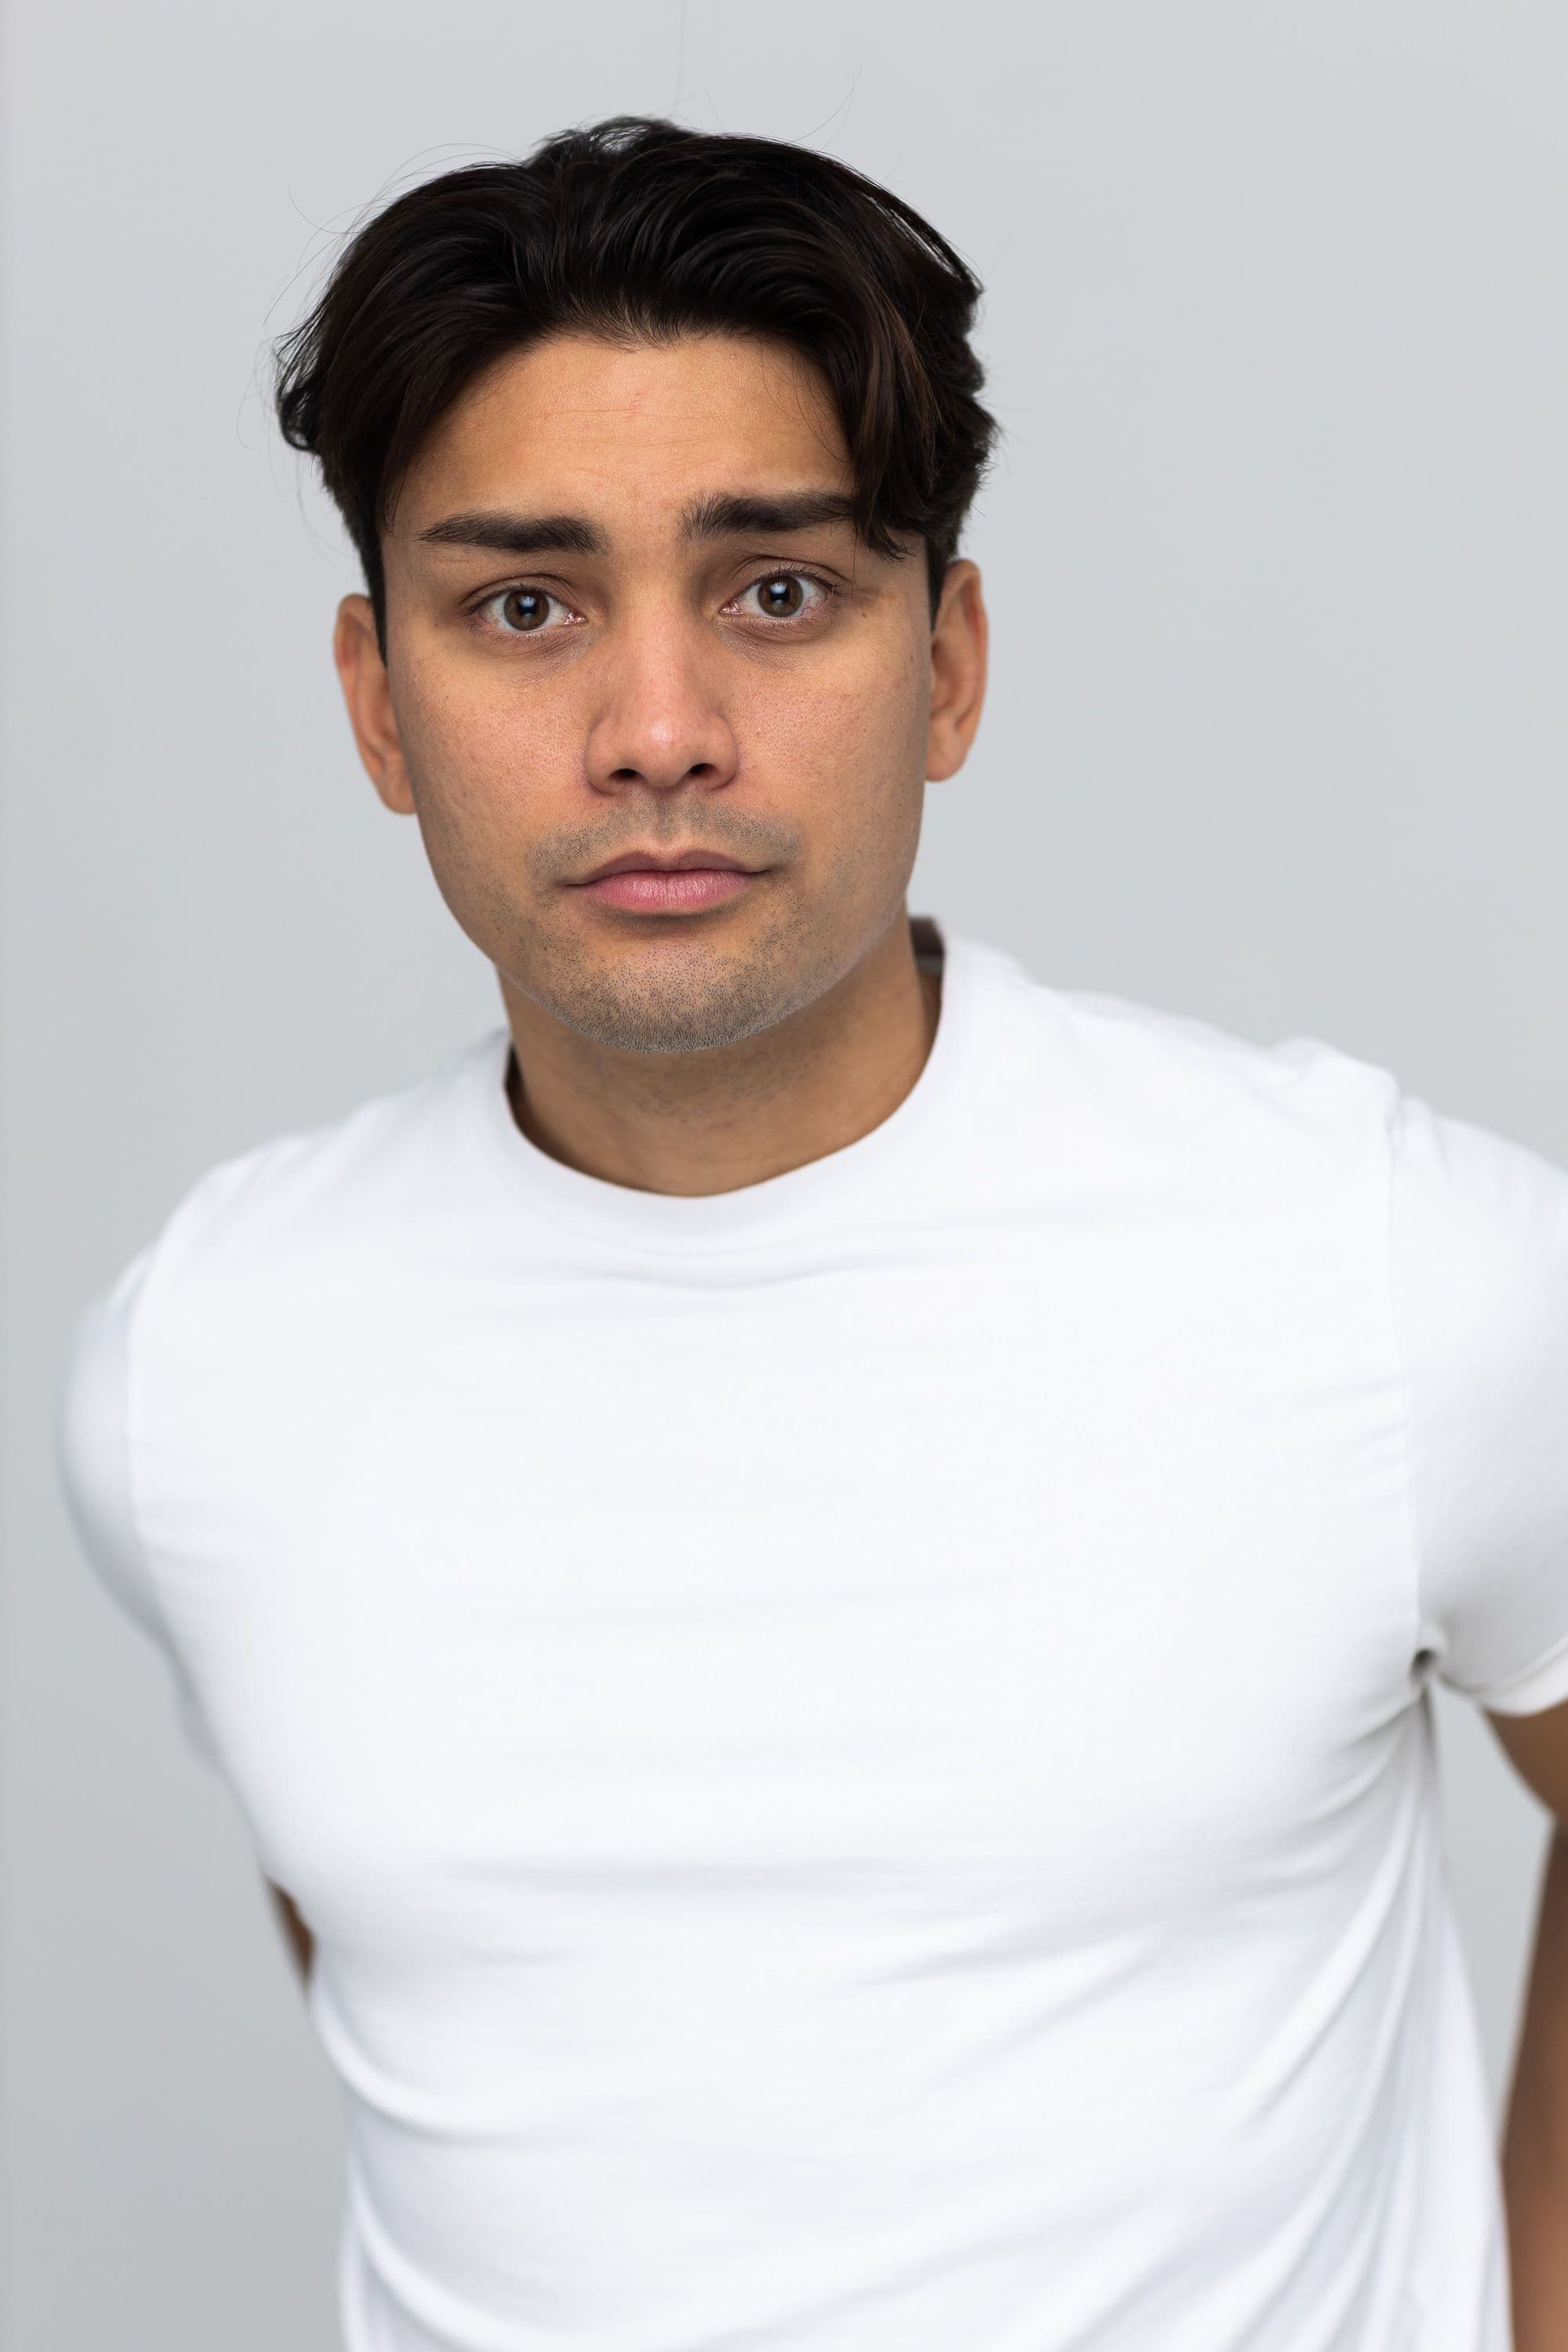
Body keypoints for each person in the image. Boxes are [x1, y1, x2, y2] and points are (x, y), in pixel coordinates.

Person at [55, 114, 1568, 2352]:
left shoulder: (1381, 1267)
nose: (658, 733)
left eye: (777, 591)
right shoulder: (201, 1367)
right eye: (524, 606)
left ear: (946, 665)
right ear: (380, 702)